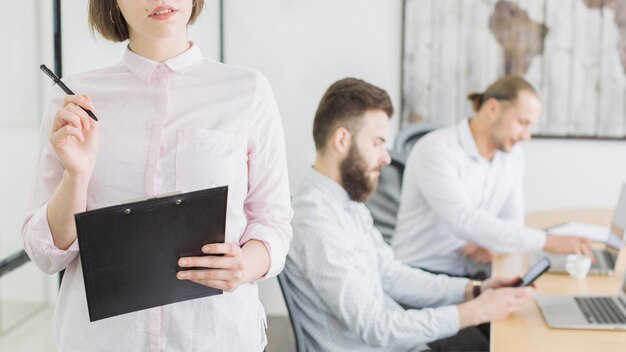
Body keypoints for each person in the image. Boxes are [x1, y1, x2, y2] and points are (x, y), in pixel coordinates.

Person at [21, 1, 292, 350]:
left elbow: (273, 222)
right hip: (103, 340)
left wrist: (247, 264)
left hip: (213, 336)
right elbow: (46, 254)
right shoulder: (75, 103)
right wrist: (77, 173)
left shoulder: (248, 91)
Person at [283, 77, 533, 351]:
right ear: (342, 140)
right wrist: (475, 311)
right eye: (377, 143)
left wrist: (475, 290)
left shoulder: (348, 206)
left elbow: (391, 275)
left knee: (495, 338)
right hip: (382, 344)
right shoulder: (317, 223)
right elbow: (376, 327)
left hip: (400, 343)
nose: (386, 157)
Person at [392, 75, 591, 277]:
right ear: (492, 108)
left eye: (530, 126)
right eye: (523, 122)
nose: (526, 135)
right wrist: (549, 241)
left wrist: (491, 242)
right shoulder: (436, 149)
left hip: (474, 272)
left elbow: (512, 220)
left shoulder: (512, 156)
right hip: (420, 273)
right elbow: (464, 219)